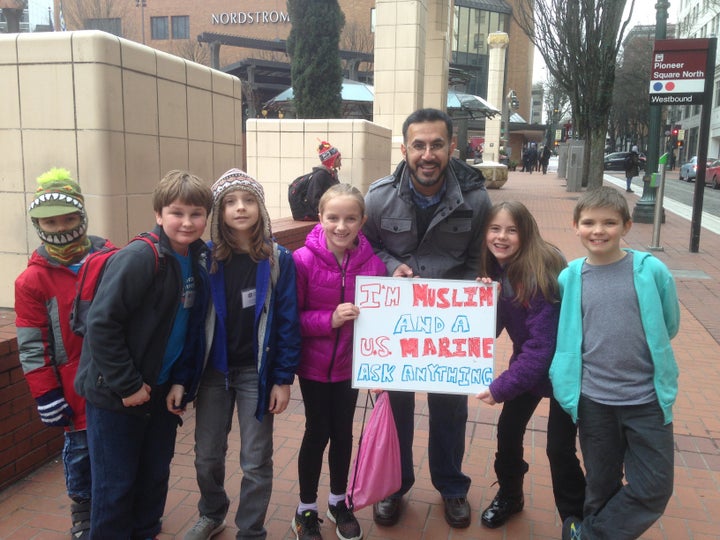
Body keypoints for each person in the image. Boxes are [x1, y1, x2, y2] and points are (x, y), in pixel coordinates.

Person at [363, 108, 491, 529]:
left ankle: (452, 486)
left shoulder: (475, 198)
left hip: (448, 325)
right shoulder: (378, 197)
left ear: (452, 146)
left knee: (450, 409)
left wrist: (470, 301)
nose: (428, 154)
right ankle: (394, 487)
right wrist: (388, 265)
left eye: (437, 144)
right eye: (419, 145)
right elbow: (369, 248)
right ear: (404, 149)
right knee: (395, 406)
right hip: (397, 323)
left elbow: (478, 257)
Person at [75, 170, 213, 540]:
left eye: (196, 213)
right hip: (117, 395)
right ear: (158, 214)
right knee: (115, 489)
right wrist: (129, 384)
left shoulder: (198, 259)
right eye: (177, 212)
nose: (187, 222)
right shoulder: (140, 257)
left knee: (153, 480)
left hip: (160, 391)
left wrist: (180, 380)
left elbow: (189, 327)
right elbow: (101, 326)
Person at [551, 186, 680, 540]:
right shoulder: (571, 277)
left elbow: (668, 325)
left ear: (625, 226)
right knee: (601, 486)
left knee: (653, 487)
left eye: (609, 223)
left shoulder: (651, 271)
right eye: (589, 222)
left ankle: (585, 535)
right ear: (576, 226)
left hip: (647, 401)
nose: (598, 230)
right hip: (595, 402)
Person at [184, 169, 301, 540]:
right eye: (231, 202)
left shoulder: (278, 259)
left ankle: (251, 529)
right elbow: (189, 323)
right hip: (214, 374)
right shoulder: (203, 260)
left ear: (261, 208)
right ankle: (213, 511)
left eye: (248, 200)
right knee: (207, 456)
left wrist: (282, 379)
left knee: (255, 461)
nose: (240, 208)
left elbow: (287, 323)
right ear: (219, 211)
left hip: (256, 373)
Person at [14, 167, 115, 539]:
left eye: (68, 218)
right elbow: (31, 343)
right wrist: (45, 392)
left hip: (115, 378)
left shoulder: (111, 259)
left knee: (117, 453)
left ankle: (123, 511)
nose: (60, 228)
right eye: (50, 221)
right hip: (71, 387)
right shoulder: (32, 280)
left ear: (82, 215)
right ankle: (84, 516)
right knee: (80, 453)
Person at [475, 201, 585, 529]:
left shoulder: (540, 273)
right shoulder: (495, 268)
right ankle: (511, 494)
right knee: (508, 432)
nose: (502, 237)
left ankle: (577, 516)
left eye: (512, 230)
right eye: (495, 229)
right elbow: (490, 330)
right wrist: (483, 303)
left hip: (564, 369)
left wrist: (501, 388)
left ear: (526, 233)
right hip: (531, 367)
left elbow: (542, 348)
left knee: (559, 449)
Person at [291, 184, 387, 540]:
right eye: (333, 218)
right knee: (317, 432)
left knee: (343, 434)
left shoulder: (374, 265)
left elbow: (385, 321)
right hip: (314, 368)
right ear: (320, 218)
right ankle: (305, 509)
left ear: (362, 221)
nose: (341, 226)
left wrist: (380, 367)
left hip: (350, 368)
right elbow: (293, 319)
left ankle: (337, 501)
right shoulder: (301, 260)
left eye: (350, 219)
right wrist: (328, 319)